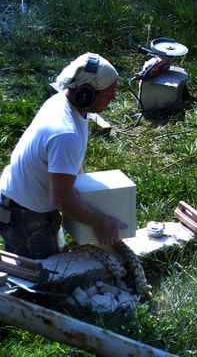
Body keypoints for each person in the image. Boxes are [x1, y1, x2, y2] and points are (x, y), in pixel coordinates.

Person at [0, 53, 127, 259]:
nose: (113, 97)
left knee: (56, 258)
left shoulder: (63, 103)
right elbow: (60, 197)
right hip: (24, 216)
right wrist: (101, 222)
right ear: (86, 93)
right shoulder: (66, 133)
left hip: (24, 201)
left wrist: (86, 198)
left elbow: (67, 170)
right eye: (109, 92)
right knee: (39, 273)